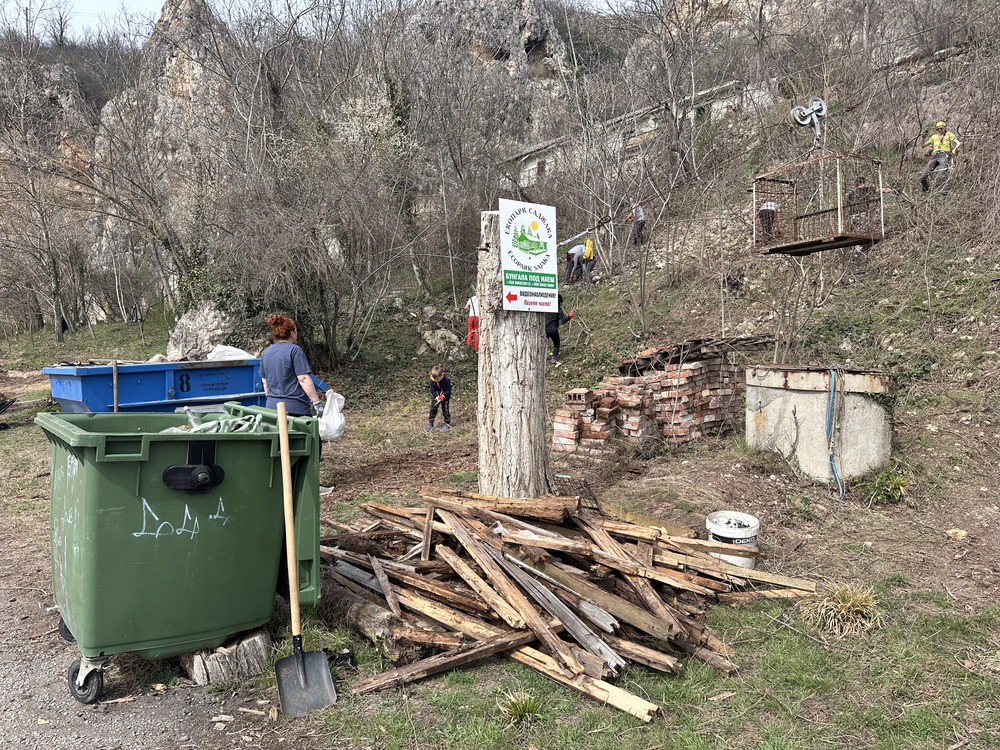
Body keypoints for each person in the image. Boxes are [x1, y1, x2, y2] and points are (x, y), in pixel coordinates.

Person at [260, 314, 323, 417]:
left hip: (272, 409)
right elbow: (303, 379)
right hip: (296, 409)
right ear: (292, 333)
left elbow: (265, 383)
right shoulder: (294, 350)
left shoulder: (266, 353)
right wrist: (317, 403)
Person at [920, 121, 960, 193]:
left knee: (942, 174)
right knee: (923, 176)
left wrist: (955, 149)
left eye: (941, 128)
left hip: (944, 155)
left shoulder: (949, 134)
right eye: (937, 129)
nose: (939, 130)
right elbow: (923, 146)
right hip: (934, 156)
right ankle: (926, 192)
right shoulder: (934, 137)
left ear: (944, 128)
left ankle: (944, 193)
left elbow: (958, 143)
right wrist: (923, 137)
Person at [545, 294, 573, 364]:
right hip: (553, 330)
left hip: (544, 329)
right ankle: (553, 359)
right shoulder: (558, 309)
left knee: (544, 344)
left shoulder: (546, 307)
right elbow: (563, 321)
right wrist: (569, 316)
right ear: (559, 302)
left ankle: (542, 359)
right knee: (556, 345)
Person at [427, 365, 452, 431]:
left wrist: (443, 395)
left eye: (437, 379)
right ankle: (430, 422)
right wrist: (436, 396)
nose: (436, 381)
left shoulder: (446, 380)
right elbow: (432, 389)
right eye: (435, 379)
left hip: (444, 396)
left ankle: (447, 423)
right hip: (436, 396)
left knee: (445, 409)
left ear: (441, 375)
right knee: (433, 408)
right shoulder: (433, 381)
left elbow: (448, 390)